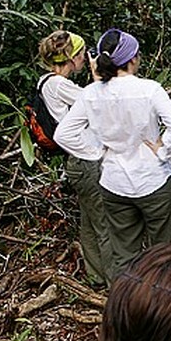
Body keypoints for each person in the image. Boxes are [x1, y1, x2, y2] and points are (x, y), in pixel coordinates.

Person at [55, 28, 171, 279]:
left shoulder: (92, 94)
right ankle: (168, 310)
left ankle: (125, 311)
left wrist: (97, 151)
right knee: (167, 254)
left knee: (124, 257)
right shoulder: (150, 89)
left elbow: (64, 134)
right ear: (132, 59)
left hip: (114, 184)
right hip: (153, 181)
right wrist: (164, 151)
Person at [37, 30, 112, 285]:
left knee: (89, 221)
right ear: (71, 57)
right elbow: (97, 101)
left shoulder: (47, 82)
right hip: (86, 161)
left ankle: (96, 276)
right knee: (104, 223)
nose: (84, 58)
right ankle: (117, 283)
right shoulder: (58, 85)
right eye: (81, 54)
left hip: (76, 162)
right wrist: (96, 75)